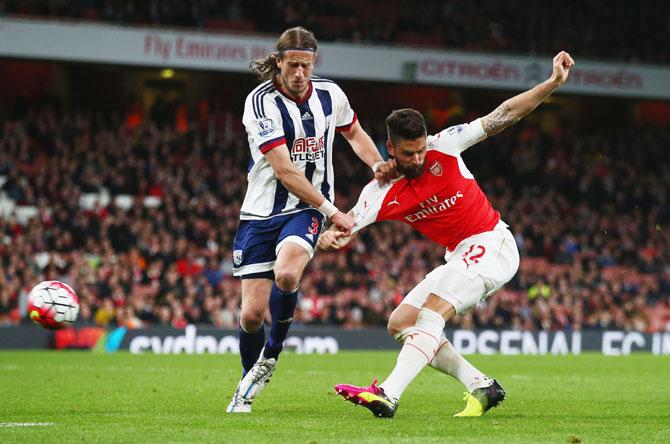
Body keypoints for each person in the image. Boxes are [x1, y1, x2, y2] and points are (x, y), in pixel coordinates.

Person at [318, 51, 575, 418]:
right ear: (390, 148)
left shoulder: (446, 145)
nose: (419, 158)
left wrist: (551, 83)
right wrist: (329, 238)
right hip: (460, 255)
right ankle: (481, 386)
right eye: (409, 153)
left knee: (432, 312)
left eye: (422, 148)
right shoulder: (379, 194)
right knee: (401, 322)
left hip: (492, 243)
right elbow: (343, 228)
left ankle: (388, 394)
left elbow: (503, 115)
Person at [227, 26, 392, 413]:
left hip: (306, 209)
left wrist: (377, 163)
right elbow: (284, 170)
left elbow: (353, 132)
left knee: (287, 274)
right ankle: (249, 385)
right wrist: (336, 213)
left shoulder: (331, 95)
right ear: (279, 62)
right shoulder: (260, 102)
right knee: (250, 315)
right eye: (293, 64)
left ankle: (274, 351)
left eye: (307, 64)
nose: (300, 72)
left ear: (313, 62)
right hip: (259, 211)